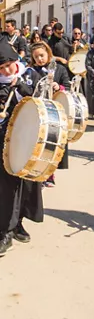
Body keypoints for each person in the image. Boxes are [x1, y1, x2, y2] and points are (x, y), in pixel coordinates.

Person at [0, 41, 35, 255]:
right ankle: (6, 228)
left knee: (20, 184)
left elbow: (37, 100)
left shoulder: (27, 77)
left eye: (9, 65)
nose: (5, 70)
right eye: (1, 68)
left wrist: (19, 85)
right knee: (5, 185)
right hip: (1, 139)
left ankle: (14, 224)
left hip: (22, 139)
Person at [24, 41, 71, 188]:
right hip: (37, 111)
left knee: (51, 142)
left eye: (42, 56)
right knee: (37, 143)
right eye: (36, 57)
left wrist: (59, 87)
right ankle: (36, 173)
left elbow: (68, 88)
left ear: (48, 54)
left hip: (54, 112)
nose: (39, 59)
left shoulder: (60, 69)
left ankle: (49, 174)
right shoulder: (30, 71)